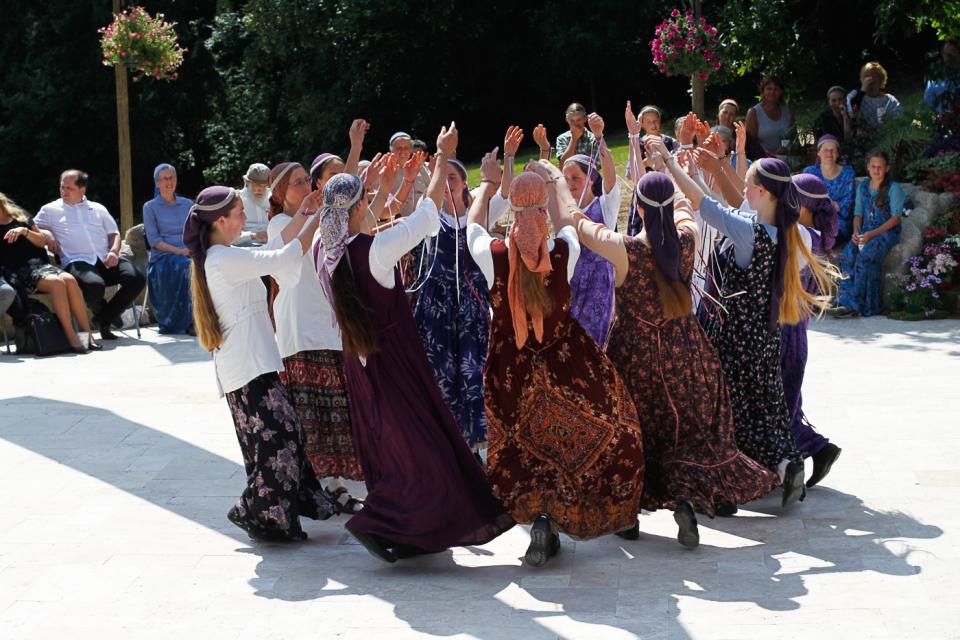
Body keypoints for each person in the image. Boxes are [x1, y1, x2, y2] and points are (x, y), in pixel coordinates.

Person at [313, 123, 512, 563]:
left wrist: (386, 190)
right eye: (366, 200)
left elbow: (367, 223)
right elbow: (425, 216)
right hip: (394, 360)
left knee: (391, 445)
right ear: (357, 207)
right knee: (422, 444)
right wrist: (441, 157)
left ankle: (410, 530)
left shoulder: (324, 251)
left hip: (360, 364)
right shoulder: (375, 252)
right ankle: (378, 521)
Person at [576, 170, 778, 546]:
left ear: (637, 207)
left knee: (635, 433)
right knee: (679, 434)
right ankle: (683, 501)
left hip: (634, 357)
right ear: (668, 207)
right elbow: (685, 209)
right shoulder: (687, 237)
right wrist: (668, 169)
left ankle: (629, 513)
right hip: (685, 351)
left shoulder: (625, 248)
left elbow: (584, 227)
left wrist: (564, 200)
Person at [467, 156, 644, 567]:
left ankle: (540, 519)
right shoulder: (565, 249)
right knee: (612, 427)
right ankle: (566, 515)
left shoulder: (492, 253)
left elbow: (473, 224)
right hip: (567, 364)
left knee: (525, 448)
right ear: (543, 209)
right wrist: (555, 179)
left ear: (513, 209)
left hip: (511, 370)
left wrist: (488, 185)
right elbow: (569, 215)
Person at [655, 138, 835, 506]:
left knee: (727, 412)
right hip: (765, 336)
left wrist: (670, 163)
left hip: (734, 336)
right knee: (765, 410)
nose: (746, 191)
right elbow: (719, 207)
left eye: (750, 185)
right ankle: (786, 465)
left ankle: (731, 483)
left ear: (763, 191)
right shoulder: (780, 229)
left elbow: (706, 206)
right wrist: (692, 173)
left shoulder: (749, 231)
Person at [183, 185, 338, 541]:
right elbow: (280, 258)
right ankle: (254, 511)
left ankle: (274, 517)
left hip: (253, 364)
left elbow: (271, 251)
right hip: (247, 367)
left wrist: (304, 214)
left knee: (283, 436)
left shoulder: (225, 255)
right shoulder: (222, 259)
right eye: (239, 212)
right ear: (220, 221)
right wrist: (315, 220)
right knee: (279, 439)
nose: (244, 217)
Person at [266, 159, 364, 513]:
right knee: (309, 414)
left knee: (334, 411)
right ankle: (314, 488)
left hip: (326, 322)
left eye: (307, 179)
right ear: (281, 192)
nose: (306, 185)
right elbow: (294, 248)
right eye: (297, 182)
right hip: (300, 328)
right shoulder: (279, 223)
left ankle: (335, 485)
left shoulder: (313, 216)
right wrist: (316, 212)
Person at [413, 149, 491, 451]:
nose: (447, 183)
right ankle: (447, 443)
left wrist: (508, 160)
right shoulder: (431, 215)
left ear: (464, 182)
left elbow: (502, 196)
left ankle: (478, 443)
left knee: (474, 372)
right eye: (443, 178)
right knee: (442, 372)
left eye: (453, 178)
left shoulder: (477, 215)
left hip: (471, 306)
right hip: (439, 307)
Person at [35, 170, 146, 341]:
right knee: (94, 285)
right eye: (62, 187)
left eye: (69, 188)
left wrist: (114, 251)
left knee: (136, 279)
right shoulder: (50, 210)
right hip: (77, 261)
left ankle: (104, 318)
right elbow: (32, 227)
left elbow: (114, 234)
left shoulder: (98, 208)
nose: (64, 191)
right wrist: (47, 234)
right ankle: (107, 317)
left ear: (82, 189)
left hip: (105, 257)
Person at [784, 174, 843, 487]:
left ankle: (815, 451)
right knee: (787, 402)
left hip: (787, 333)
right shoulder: (813, 235)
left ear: (803, 204)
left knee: (780, 404)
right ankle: (819, 451)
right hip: (795, 330)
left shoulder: (800, 235)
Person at [0, 192, 99, 352]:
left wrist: (24, 231)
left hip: (39, 264)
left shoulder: (21, 217)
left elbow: (41, 242)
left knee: (70, 279)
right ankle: (71, 336)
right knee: (57, 283)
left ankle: (87, 335)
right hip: (17, 271)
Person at [562, 112, 620, 347]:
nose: (570, 184)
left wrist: (599, 137)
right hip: (572, 284)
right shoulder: (566, 211)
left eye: (576, 178)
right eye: (566, 179)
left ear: (591, 179)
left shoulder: (605, 206)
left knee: (594, 343)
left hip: (599, 284)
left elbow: (611, 179)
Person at [835, 150, 903, 318]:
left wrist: (872, 234)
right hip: (866, 231)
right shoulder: (863, 186)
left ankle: (860, 304)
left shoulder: (893, 188)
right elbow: (858, 214)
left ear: (887, 168)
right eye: (873, 166)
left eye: (880, 167)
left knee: (865, 255)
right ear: (868, 167)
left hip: (886, 232)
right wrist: (856, 232)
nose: (876, 170)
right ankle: (845, 300)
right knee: (846, 256)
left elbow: (895, 219)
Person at [142, 163, 193, 334]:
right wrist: (180, 251)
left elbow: (196, 231)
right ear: (157, 183)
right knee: (188, 266)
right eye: (165, 179)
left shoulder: (187, 204)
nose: (169, 182)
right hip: (164, 257)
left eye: (172, 178)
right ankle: (190, 322)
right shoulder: (150, 207)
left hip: (189, 252)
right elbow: (154, 241)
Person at [803, 135, 856, 243]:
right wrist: (830, 205)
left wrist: (827, 206)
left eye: (833, 150)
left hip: (839, 222)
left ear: (837, 154)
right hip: (813, 219)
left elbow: (849, 201)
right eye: (825, 150)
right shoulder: (809, 172)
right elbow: (804, 199)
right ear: (818, 153)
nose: (829, 153)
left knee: (823, 240)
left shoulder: (847, 172)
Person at [745, 75, 795, 156]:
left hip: (788, 156)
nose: (772, 92)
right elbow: (750, 144)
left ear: (781, 91)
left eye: (776, 89)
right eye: (769, 89)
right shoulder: (754, 112)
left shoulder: (789, 111)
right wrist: (772, 153)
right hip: (763, 158)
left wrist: (787, 150)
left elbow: (794, 138)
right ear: (763, 91)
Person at [847, 62, 902, 131]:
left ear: (881, 79)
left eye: (874, 75)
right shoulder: (855, 94)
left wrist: (889, 121)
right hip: (862, 134)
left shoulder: (889, 99)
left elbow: (900, 116)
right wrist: (863, 90)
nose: (871, 79)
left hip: (887, 133)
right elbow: (850, 110)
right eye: (867, 76)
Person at [235, 164, 271, 247]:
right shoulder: (237, 200)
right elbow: (228, 237)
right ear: (248, 183)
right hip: (246, 249)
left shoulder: (273, 198)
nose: (261, 189)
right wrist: (252, 235)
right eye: (257, 185)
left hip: (272, 247)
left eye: (265, 186)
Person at [924, 40, 960, 114]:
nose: (947, 59)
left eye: (951, 54)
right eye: (946, 54)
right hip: (943, 118)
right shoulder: (935, 78)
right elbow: (928, 101)